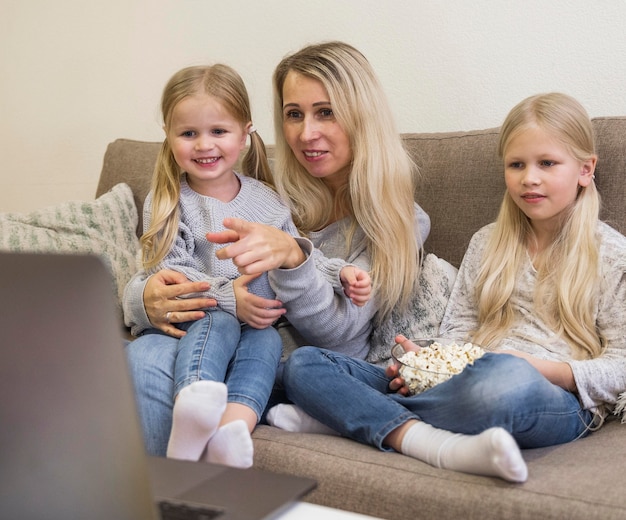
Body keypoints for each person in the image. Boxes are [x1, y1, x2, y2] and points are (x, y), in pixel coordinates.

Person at [272, 92, 626, 483]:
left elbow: (622, 364)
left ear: (585, 169)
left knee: (503, 381)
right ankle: (414, 432)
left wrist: (543, 369)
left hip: (548, 396)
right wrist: (425, 364)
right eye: (516, 164)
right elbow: (457, 333)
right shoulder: (486, 242)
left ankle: (348, 416)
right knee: (304, 365)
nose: (530, 178)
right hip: (463, 379)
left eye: (547, 163)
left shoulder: (611, 254)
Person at [124, 41, 430, 457]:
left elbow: (337, 337)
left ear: (362, 116)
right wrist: (142, 299)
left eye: (326, 112)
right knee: (146, 352)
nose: (306, 133)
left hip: (290, 366)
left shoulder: (399, 220)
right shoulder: (270, 189)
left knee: (226, 350)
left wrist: (294, 256)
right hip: (215, 330)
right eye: (293, 114)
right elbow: (166, 261)